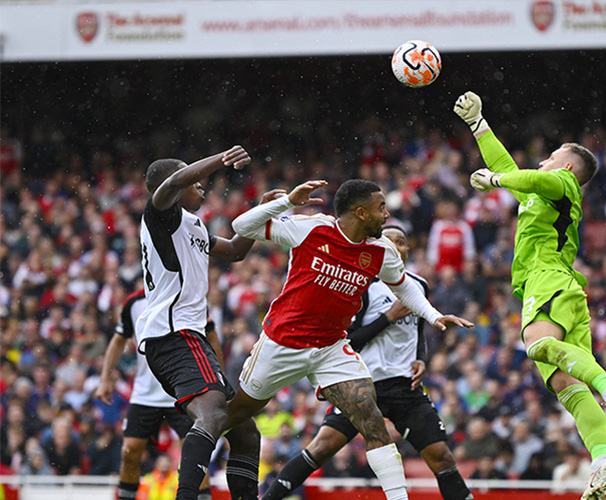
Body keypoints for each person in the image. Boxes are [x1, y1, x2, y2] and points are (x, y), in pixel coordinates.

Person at [226, 178, 474, 500]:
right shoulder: (319, 237)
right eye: (381, 209)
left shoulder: (390, 263)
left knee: (401, 437)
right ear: (360, 213)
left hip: (366, 366)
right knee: (264, 423)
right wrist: (287, 201)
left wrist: (431, 319)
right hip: (302, 348)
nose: (387, 217)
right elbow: (241, 225)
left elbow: (409, 306)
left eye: (401, 241)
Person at [454, 91, 606, 500]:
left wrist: (499, 181)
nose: (543, 161)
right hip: (561, 289)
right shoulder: (541, 194)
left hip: (549, 279)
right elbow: (509, 168)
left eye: (551, 156)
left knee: (537, 345)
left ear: (568, 166)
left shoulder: (564, 183)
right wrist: (479, 125)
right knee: (568, 389)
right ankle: (601, 457)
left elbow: (524, 176)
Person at [137, 146, 264, 500]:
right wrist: (220, 159)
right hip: (174, 334)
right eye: (197, 183)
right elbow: (177, 179)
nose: (203, 188)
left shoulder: (193, 224)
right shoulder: (160, 213)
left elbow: (237, 251)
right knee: (214, 415)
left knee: (245, 432)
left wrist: (263, 211)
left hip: (188, 338)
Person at [96, 288, 218, 500]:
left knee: (194, 454)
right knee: (129, 451)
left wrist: (217, 377)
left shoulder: (187, 297)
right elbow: (118, 340)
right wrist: (105, 378)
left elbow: (211, 335)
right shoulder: (133, 302)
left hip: (182, 390)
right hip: (145, 393)